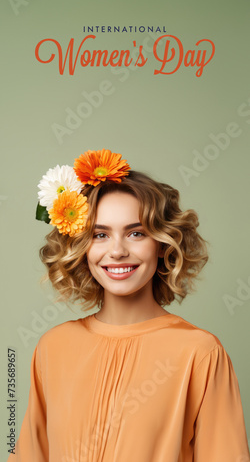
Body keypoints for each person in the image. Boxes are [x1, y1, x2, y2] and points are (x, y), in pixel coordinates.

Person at [7, 149, 249, 462]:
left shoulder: (200, 353)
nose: (117, 251)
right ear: (82, 247)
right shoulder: (53, 347)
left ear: (162, 244)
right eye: (100, 234)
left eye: (136, 233)